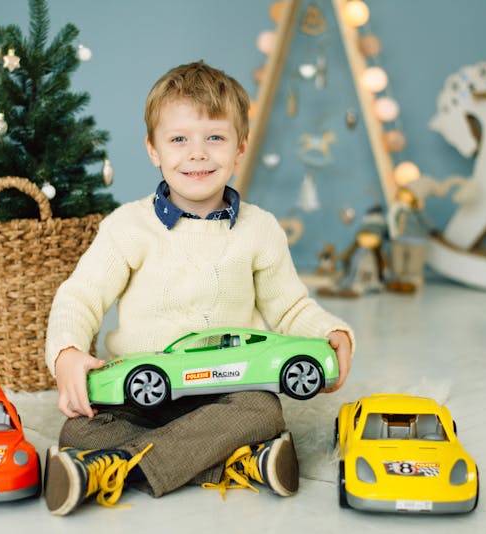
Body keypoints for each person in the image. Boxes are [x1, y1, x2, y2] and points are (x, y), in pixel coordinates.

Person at [43, 61, 355, 516]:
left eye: (215, 137)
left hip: (228, 389)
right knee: (78, 430)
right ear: (153, 149)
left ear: (240, 146)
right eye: (178, 139)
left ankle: (110, 469)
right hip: (146, 389)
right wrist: (67, 352)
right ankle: (233, 463)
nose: (198, 154)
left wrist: (333, 332)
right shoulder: (128, 226)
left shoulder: (260, 229)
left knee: (263, 412)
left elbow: (289, 308)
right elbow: (81, 295)